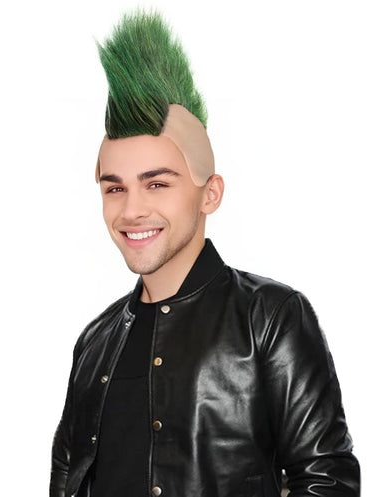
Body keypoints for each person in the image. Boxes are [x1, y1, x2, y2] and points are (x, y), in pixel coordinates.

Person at [50, 11, 360, 497]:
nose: (132, 210)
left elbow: (326, 482)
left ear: (210, 194)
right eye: (115, 188)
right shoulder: (95, 342)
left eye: (157, 183)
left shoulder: (270, 318)